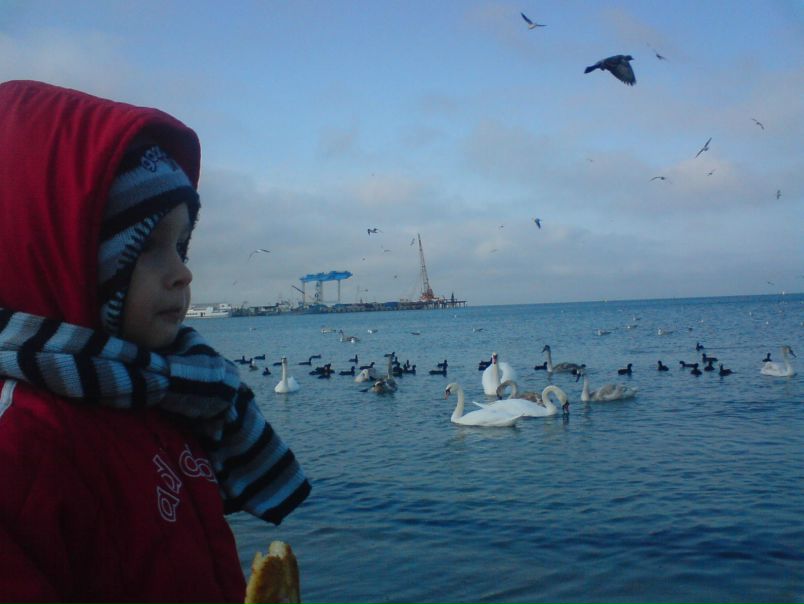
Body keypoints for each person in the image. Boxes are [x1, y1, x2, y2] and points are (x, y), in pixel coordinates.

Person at [0, 80, 311, 602]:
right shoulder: (19, 447)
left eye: (182, 245)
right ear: (60, 255)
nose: (183, 273)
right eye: (148, 247)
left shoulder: (170, 393)